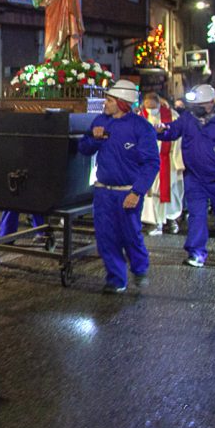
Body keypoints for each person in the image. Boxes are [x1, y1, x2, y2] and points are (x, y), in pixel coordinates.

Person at [78, 80, 160, 293]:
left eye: (109, 100)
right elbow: (84, 148)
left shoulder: (142, 128)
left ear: (122, 103)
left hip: (128, 193)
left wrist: (137, 191)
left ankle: (140, 268)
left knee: (130, 235)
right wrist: (94, 140)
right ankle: (116, 279)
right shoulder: (100, 121)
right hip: (103, 191)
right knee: (106, 236)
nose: (105, 103)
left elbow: (151, 163)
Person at [156, 83, 215, 267]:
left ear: (211, 103)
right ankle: (196, 252)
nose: (196, 109)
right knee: (196, 215)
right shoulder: (188, 119)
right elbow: (172, 131)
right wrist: (162, 130)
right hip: (195, 177)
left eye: (200, 106)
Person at [137, 93, 184, 236]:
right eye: (148, 107)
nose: (151, 110)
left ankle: (171, 220)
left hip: (167, 160)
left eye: (153, 107)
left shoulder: (172, 116)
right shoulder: (140, 117)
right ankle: (155, 222)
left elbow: (178, 138)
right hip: (146, 162)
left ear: (159, 104)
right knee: (151, 193)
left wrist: (178, 161)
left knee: (171, 192)